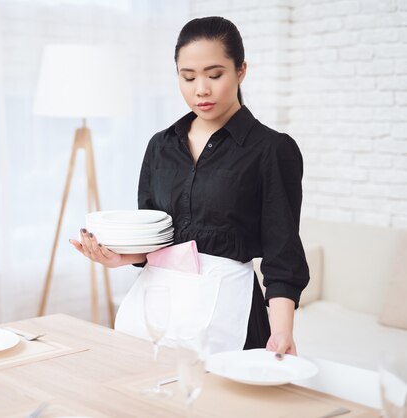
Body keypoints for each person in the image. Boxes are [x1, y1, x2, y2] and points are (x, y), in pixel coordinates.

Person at [69, 16, 309, 358]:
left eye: (214, 75)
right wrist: (119, 257)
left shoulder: (271, 149)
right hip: (161, 304)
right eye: (188, 77)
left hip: (233, 314)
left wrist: (282, 330)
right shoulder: (161, 146)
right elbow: (160, 239)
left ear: (241, 71)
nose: (201, 90)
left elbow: (282, 252)